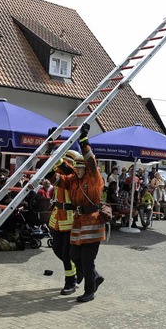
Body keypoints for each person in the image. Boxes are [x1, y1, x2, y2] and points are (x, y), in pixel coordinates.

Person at [45, 123, 105, 302]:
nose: (77, 170)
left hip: (92, 221)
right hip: (79, 221)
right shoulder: (73, 180)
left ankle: (89, 291)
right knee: (72, 255)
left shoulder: (94, 178)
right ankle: (94, 277)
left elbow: (90, 160)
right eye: (76, 167)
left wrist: (84, 140)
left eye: (79, 167)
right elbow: (57, 177)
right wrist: (49, 151)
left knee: (87, 260)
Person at [48, 150, 81, 295]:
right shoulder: (60, 174)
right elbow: (50, 173)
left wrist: (56, 157)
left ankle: (71, 282)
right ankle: (83, 269)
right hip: (58, 214)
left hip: (69, 216)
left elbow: (67, 169)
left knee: (67, 253)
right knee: (57, 249)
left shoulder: (74, 176)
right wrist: (49, 154)